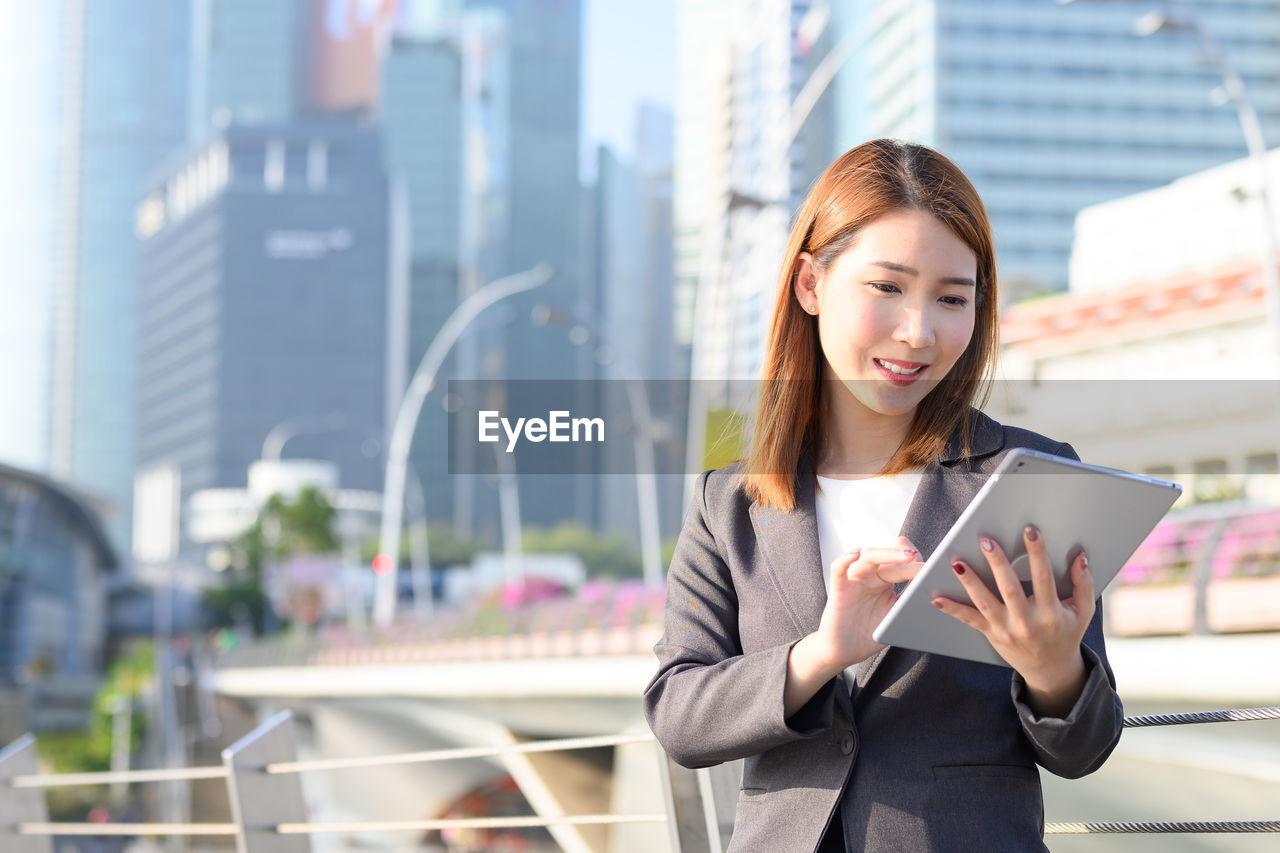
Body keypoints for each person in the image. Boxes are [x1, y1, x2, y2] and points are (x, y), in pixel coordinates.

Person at [643, 139, 1123, 852]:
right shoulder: (731, 504)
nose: (919, 332)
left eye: (952, 298)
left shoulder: (1033, 478)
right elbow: (680, 715)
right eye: (887, 287)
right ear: (810, 284)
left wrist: (1054, 670)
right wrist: (821, 653)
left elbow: (1084, 748)